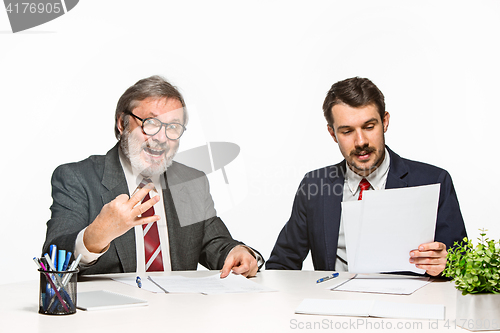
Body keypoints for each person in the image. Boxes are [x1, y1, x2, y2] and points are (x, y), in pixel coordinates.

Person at [43, 75, 262, 278]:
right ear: (122, 124)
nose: (161, 138)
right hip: (110, 317)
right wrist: (94, 237)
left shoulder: (191, 181)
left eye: (173, 127)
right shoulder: (77, 178)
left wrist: (238, 251)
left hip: (180, 312)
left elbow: (216, 243)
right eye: (151, 123)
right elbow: (52, 259)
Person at [266, 77, 466, 276]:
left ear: (385, 121)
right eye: (347, 131)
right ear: (332, 134)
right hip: (334, 304)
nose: (361, 141)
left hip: (405, 304)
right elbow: (281, 265)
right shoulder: (314, 185)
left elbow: (464, 264)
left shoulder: (434, 181)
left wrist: (448, 264)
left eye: (369, 127)